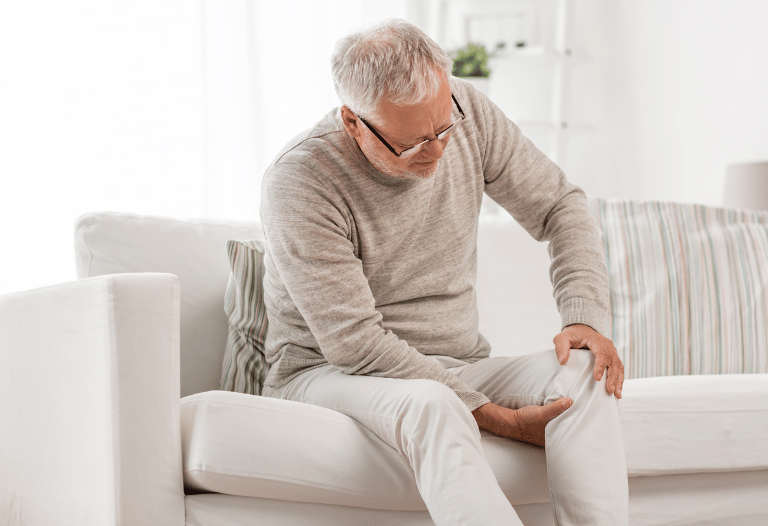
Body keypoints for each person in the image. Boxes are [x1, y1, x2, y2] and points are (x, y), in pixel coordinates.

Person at [259, 18, 628, 526]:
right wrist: (499, 419)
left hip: (458, 363)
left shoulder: (464, 107)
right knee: (434, 402)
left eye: (443, 129)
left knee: (586, 371)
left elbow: (561, 206)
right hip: (328, 374)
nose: (437, 152)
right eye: (411, 143)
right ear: (352, 122)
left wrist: (583, 318)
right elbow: (356, 344)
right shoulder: (300, 179)